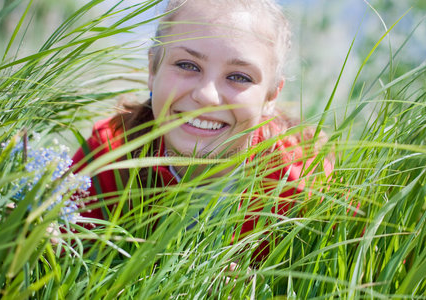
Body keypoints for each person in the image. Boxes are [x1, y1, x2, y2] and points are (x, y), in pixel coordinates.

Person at [71, 0, 332, 260]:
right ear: (153, 69)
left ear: (271, 97)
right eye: (187, 65)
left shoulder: (304, 188)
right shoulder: (108, 157)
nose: (207, 96)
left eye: (239, 77)